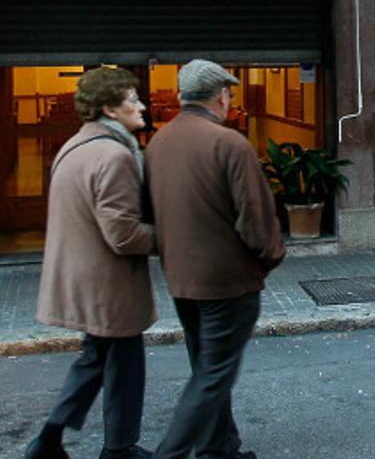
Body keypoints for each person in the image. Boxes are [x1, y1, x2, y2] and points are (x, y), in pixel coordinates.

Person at [145, 60, 286, 459]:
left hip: (181, 279)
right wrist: (268, 259)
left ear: (182, 96)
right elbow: (257, 221)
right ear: (222, 97)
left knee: (206, 368)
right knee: (212, 376)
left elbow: (148, 212)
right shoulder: (229, 144)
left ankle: (217, 448)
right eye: (230, 94)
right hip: (227, 281)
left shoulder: (158, 143)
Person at [27, 67, 158, 459]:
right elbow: (122, 234)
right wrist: (173, 239)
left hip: (83, 278)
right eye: (132, 99)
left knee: (96, 360)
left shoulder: (75, 146)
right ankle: (118, 448)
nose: (142, 105)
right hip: (108, 284)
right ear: (109, 109)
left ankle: (49, 441)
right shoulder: (114, 156)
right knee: (124, 365)